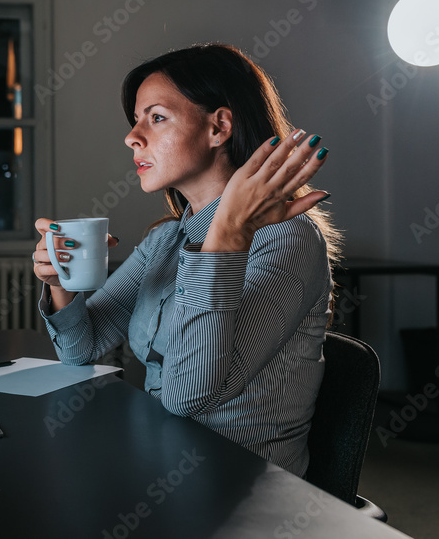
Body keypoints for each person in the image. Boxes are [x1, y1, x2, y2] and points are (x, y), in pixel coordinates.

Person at [31, 43, 341, 477]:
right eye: (135, 120)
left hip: (241, 487)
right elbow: (80, 348)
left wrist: (227, 237)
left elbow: (187, 395)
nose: (132, 136)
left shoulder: (287, 239)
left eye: (156, 118)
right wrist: (60, 281)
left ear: (219, 127)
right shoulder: (167, 238)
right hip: (162, 458)